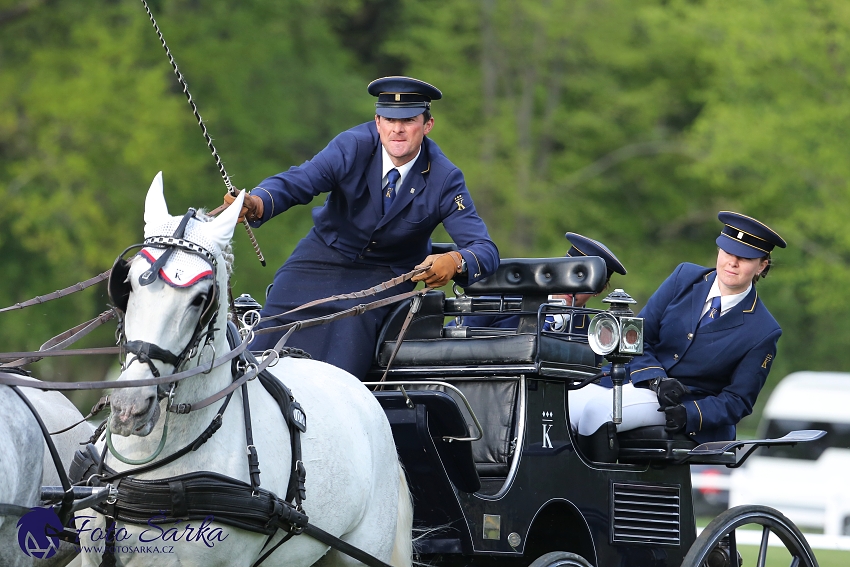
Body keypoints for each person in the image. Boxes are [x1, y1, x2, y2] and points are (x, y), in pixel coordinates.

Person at [223, 76, 499, 379]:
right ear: (377, 121)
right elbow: (300, 180)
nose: (398, 129)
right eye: (390, 119)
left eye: (408, 120)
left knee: (349, 325)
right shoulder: (352, 146)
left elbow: (484, 250)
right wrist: (258, 202)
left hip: (387, 274)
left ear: (427, 125)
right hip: (323, 256)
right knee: (271, 324)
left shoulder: (445, 178)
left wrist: (455, 261)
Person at [570, 211, 786, 463]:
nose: (732, 262)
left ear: (762, 265)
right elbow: (640, 338)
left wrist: (690, 414)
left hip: (682, 405)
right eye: (727, 252)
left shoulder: (763, 330)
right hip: (638, 381)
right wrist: (655, 379)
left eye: (745, 258)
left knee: (598, 412)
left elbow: (738, 400)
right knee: (560, 404)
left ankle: (595, 496)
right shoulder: (684, 277)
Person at [449, 232, 626, 331]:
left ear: (599, 289)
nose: (573, 287)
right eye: (572, 275)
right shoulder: (508, 296)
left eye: (583, 282)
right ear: (559, 269)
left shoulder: (589, 332)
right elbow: (458, 332)